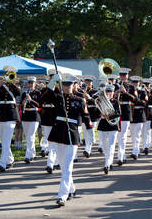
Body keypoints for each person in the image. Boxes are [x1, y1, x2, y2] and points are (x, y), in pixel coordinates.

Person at [41, 72, 91, 206]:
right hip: (58, 133)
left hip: (72, 134)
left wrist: (90, 138)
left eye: (69, 84)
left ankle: (62, 196)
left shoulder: (80, 100)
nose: (67, 87)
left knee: (68, 168)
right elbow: (44, 97)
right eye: (64, 84)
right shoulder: (57, 97)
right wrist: (53, 81)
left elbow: (86, 117)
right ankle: (72, 188)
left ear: (74, 85)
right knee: (63, 166)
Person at [0, 66, 21, 172]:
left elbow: (18, 93)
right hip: (1, 114)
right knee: (3, 139)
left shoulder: (14, 86)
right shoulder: (1, 86)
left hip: (11, 114)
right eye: (7, 75)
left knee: (6, 140)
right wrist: (0, 85)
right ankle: (10, 159)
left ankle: (2, 163)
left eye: (10, 75)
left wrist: (11, 82)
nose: (8, 77)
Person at [97, 84, 120, 174]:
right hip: (102, 125)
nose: (109, 94)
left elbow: (118, 113)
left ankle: (107, 164)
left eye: (110, 92)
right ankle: (109, 161)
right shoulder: (100, 101)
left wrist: (109, 115)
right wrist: (100, 114)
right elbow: (94, 113)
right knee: (105, 145)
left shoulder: (115, 102)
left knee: (111, 145)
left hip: (113, 125)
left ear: (113, 93)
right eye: (107, 92)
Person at [21, 77, 41, 163]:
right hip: (26, 115)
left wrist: (31, 100)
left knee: (30, 136)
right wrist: (24, 101)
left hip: (34, 116)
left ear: (35, 84)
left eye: (32, 83)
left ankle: (28, 156)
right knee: (28, 136)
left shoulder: (38, 93)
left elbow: (39, 105)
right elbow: (21, 104)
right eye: (29, 83)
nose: (30, 84)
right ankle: (33, 153)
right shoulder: (24, 93)